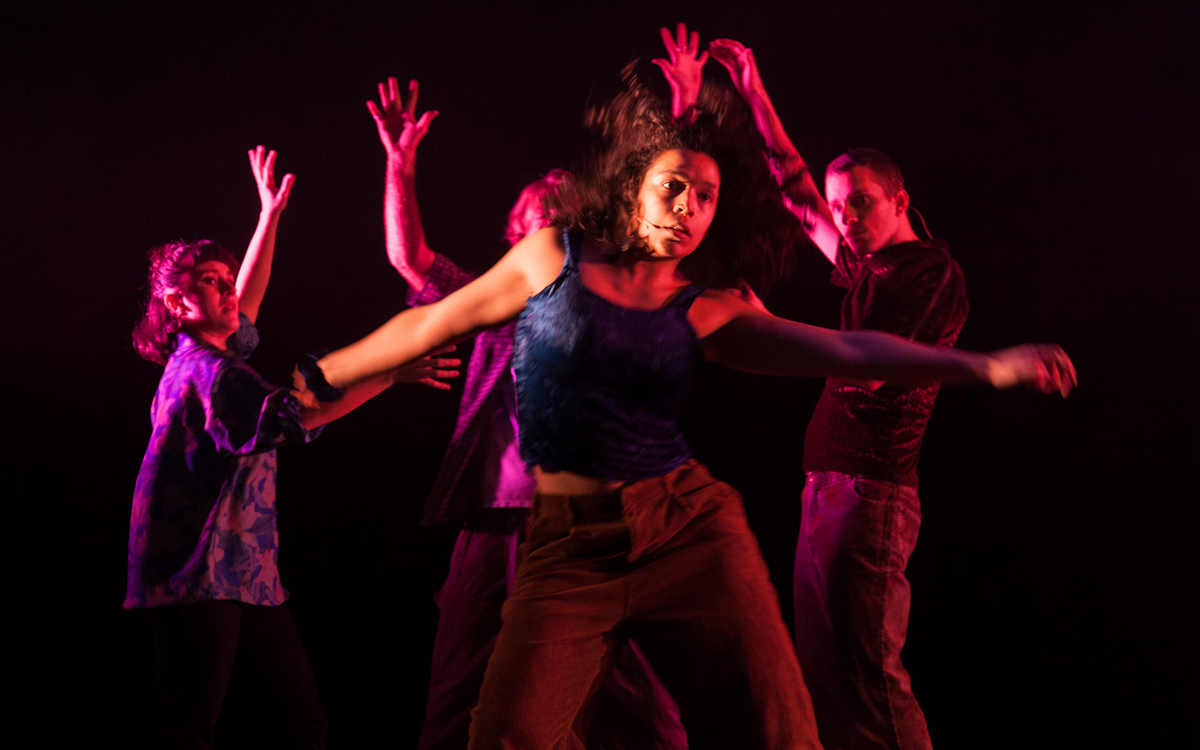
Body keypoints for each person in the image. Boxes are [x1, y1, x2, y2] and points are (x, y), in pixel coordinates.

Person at [301, 26, 1073, 749]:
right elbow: (429, 317)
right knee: (508, 728)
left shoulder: (701, 305)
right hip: (562, 539)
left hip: (686, 523)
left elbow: (843, 346)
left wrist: (985, 366)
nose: (688, 209)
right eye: (672, 190)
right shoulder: (546, 261)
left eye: (704, 198)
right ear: (633, 188)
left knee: (777, 718)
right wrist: (327, 372)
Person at [366, 77, 684, 750]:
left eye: (547, 225)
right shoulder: (491, 304)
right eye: (522, 228)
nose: (529, 238)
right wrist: (400, 164)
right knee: (462, 665)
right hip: (492, 516)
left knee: (613, 679)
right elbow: (409, 257)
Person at [126, 147, 458, 750]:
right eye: (210, 282)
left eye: (227, 280)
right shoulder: (210, 373)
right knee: (191, 727)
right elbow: (300, 412)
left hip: (244, 572)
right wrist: (388, 374)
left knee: (300, 721)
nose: (229, 292)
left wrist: (267, 215)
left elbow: (244, 303)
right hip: (197, 575)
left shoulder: (205, 355)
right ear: (176, 305)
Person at [710, 36, 981, 749]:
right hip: (833, 485)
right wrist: (753, 90)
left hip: (872, 493)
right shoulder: (868, 268)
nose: (846, 218)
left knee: (865, 671)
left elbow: (868, 365)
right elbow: (797, 195)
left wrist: (762, 325)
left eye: (861, 203)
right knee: (827, 671)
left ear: (899, 200)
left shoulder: (927, 270)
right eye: (841, 206)